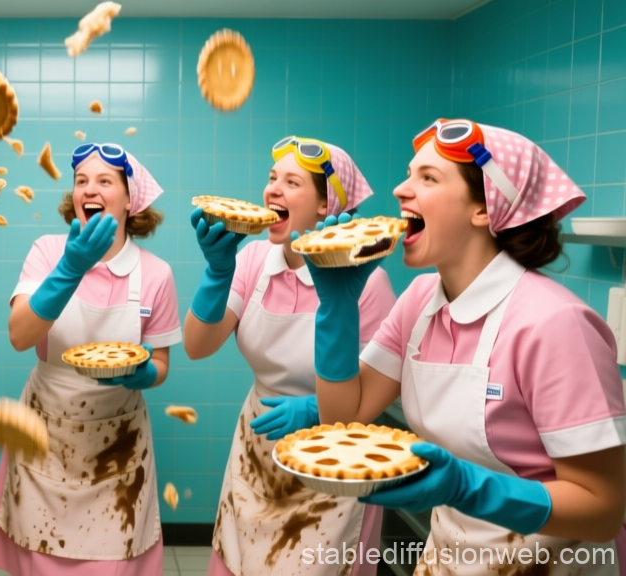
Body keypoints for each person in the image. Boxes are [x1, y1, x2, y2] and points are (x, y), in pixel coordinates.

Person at [304, 119, 626, 574]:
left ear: (485, 209)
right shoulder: (419, 300)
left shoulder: (554, 324)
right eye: (409, 173)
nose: (400, 189)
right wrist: (337, 309)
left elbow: (603, 510)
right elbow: (343, 419)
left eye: (428, 177)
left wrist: (469, 487)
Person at [183, 136, 395, 576]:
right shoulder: (255, 260)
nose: (272, 190)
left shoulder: (366, 285)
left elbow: (382, 387)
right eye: (271, 177)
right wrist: (218, 273)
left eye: (291, 182)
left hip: (335, 461)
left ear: (325, 205)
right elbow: (197, 347)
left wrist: (316, 410)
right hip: (257, 452)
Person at [0, 143, 181, 575]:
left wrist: (144, 374)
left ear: (131, 200)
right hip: (45, 435)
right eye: (81, 181)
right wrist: (70, 268)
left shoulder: (156, 273)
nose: (89, 189)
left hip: (120, 446)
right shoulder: (49, 252)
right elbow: (19, 335)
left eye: (105, 181)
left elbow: (161, 364)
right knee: (41, 558)